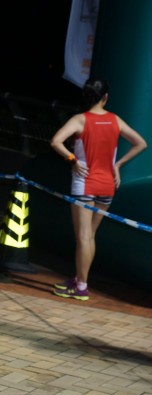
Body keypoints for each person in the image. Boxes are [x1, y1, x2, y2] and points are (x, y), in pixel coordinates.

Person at [50, 77, 147, 301]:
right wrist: (118, 165)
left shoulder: (80, 119)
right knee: (90, 236)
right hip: (107, 185)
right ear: (105, 97)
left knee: (84, 237)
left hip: (85, 183)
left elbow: (56, 141)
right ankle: (79, 279)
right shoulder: (115, 120)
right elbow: (141, 143)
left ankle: (81, 286)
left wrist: (73, 160)